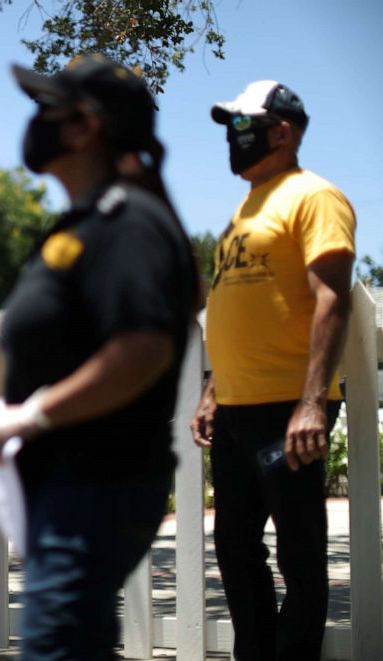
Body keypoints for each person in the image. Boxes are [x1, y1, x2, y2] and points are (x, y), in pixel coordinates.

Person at [0, 55, 198, 659]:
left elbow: (144, 348)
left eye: (46, 108)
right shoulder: (88, 222)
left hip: (95, 479)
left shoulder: (127, 221)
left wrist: (35, 415)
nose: (35, 121)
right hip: (70, 481)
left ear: (86, 127)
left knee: (59, 649)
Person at [191, 81, 355, 661]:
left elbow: (333, 297)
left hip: (288, 403)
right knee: (234, 545)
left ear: (283, 131)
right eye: (231, 129)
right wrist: (213, 388)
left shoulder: (315, 196)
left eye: (244, 127)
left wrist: (312, 402)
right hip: (236, 405)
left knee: (298, 546)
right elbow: (234, 308)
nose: (234, 140)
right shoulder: (243, 210)